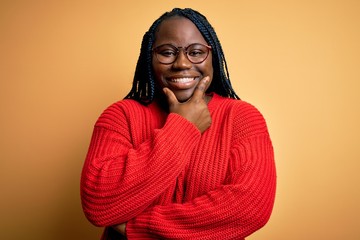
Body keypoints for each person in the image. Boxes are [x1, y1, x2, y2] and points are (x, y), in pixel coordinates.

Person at [81, 8, 276, 240]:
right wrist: (184, 128)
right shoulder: (121, 116)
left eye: (196, 52)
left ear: (213, 57)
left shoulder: (242, 118)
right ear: (149, 58)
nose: (182, 63)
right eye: (167, 52)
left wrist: (140, 228)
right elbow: (98, 204)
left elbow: (250, 208)